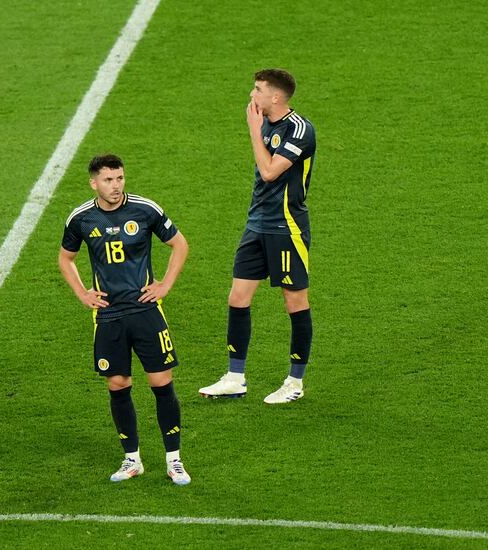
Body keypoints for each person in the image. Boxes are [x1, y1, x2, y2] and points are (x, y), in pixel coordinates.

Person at [58, 154, 191, 485]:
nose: (115, 186)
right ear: (94, 183)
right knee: (118, 385)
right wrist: (82, 293)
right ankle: (132, 459)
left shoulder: (145, 210)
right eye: (108, 180)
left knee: (162, 383)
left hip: (146, 311)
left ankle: (174, 459)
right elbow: (66, 258)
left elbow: (179, 244)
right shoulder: (81, 218)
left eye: (119, 179)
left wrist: (165, 285)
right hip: (109, 315)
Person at [199, 68, 316, 404]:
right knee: (238, 298)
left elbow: (268, 172)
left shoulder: (300, 130)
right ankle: (235, 377)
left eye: (258, 90)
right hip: (257, 224)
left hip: (286, 227)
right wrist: (257, 128)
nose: (252, 95)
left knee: (294, 303)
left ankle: (295, 383)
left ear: (275, 97)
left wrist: (253, 130)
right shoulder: (266, 122)